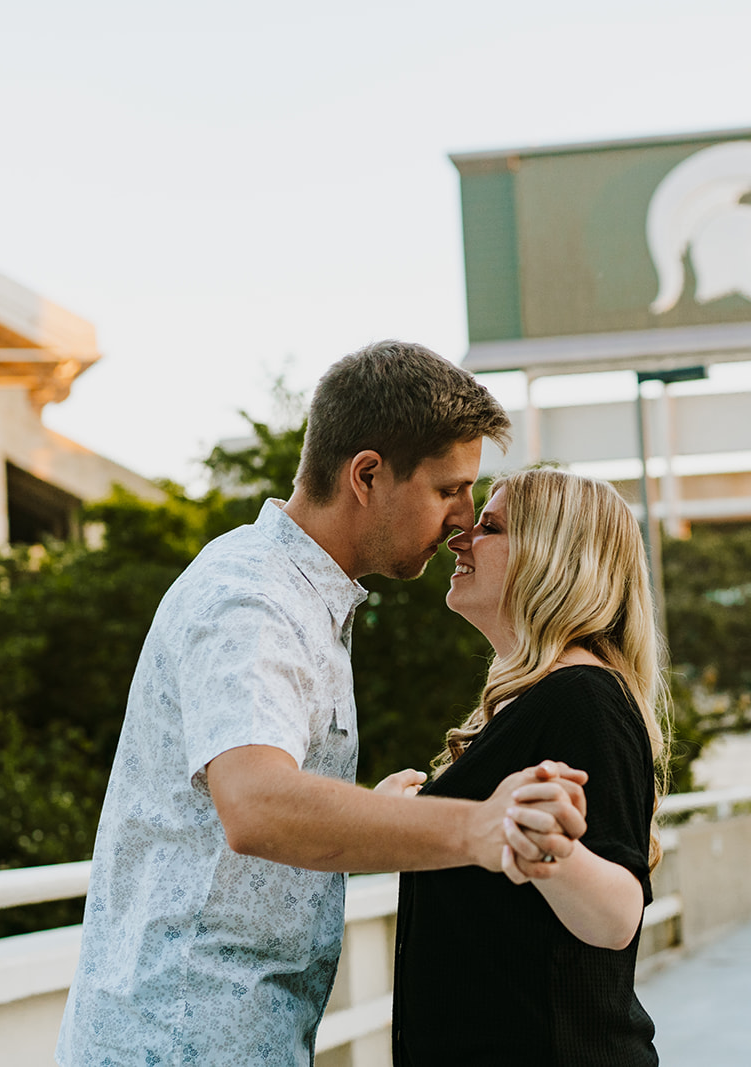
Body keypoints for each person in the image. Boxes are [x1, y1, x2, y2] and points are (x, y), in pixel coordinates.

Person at [56, 341, 591, 1067]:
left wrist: (386, 810)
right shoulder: (251, 598)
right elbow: (256, 804)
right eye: (448, 490)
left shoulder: (304, 601)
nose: (464, 521)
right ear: (367, 475)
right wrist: (478, 827)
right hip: (180, 1044)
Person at [391, 467, 671, 1066]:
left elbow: (618, 912)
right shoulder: (528, 702)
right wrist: (407, 819)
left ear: (554, 559)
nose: (458, 537)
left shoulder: (583, 697)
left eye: (489, 526)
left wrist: (549, 853)